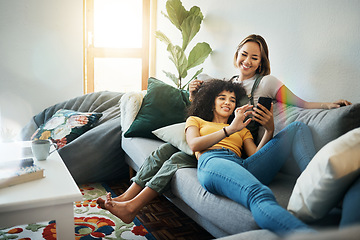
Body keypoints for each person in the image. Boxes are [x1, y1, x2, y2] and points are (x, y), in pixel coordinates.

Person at [185, 79, 317, 235]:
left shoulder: (241, 129)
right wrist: (230, 129)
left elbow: (255, 155)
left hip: (242, 164)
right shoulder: (196, 121)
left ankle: (318, 184)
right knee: (260, 194)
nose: (227, 102)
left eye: (232, 100)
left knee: (298, 128)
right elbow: (194, 144)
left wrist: (269, 130)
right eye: (222, 98)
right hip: (214, 161)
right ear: (212, 102)